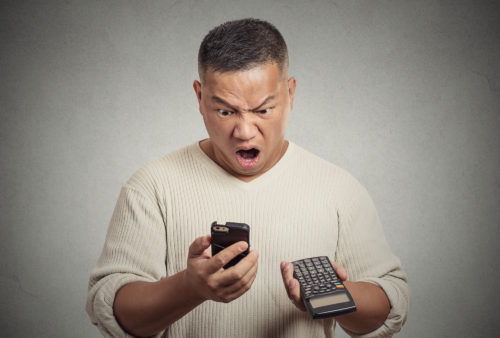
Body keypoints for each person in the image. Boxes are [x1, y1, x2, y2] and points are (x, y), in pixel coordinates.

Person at [86, 18, 410, 338]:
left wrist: (333, 297)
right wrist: (189, 287)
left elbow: (387, 305)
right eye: (226, 111)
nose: (244, 131)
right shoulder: (150, 187)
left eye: (263, 110)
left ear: (290, 93)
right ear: (200, 98)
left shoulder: (340, 190)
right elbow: (113, 311)